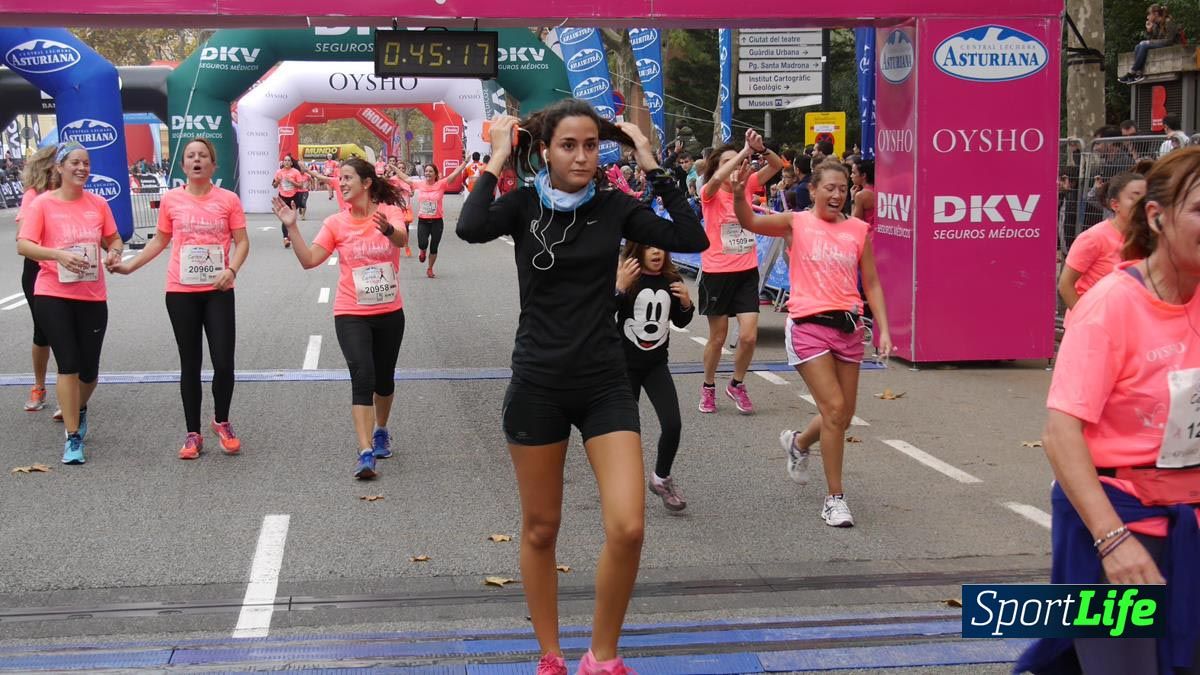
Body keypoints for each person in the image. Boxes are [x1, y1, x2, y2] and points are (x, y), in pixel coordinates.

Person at [457, 102, 708, 675]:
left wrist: (648, 158)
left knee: (629, 524)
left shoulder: (616, 206)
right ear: (545, 149)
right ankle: (550, 653)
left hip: (604, 382)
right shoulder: (523, 205)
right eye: (569, 145)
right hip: (538, 383)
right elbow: (470, 226)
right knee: (542, 527)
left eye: (592, 145)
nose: (582, 156)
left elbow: (690, 237)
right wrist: (498, 156)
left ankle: (603, 654)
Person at [1017, 147, 1200, 675]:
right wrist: (1112, 539)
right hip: (1121, 521)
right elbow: (1060, 433)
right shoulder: (1112, 305)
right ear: (1157, 217)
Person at [732, 158, 893, 527]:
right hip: (807, 326)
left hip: (849, 328)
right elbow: (750, 221)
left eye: (843, 188)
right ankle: (834, 499)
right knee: (835, 408)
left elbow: (871, 283)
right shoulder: (797, 222)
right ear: (814, 190)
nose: (837, 194)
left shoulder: (858, 230)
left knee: (843, 416)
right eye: (830, 188)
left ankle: (799, 443)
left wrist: (882, 327)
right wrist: (741, 194)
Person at [109, 139, 250, 459]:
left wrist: (232, 269)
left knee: (224, 362)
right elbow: (160, 240)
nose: (197, 160)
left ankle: (222, 422)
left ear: (213, 166)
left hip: (218, 290)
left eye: (203, 156)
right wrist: (130, 267)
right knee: (191, 363)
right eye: (190, 156)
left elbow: (242, 242)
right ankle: (193, 434)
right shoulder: (172, 199)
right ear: (183, 166)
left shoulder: (228, 199)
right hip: (181, 291)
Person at [275, 158, 409, 480]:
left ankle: (381, 429)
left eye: (348, 177)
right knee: (362, 375)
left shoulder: (388, 211)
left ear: (366, 183)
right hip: (351, 311)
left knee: (384, 380)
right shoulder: (336, 223)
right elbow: (309, 261)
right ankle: (365, 452)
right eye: (340, 178)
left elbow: (402, 240)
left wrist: (388, 229)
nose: (342, 183)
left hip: (389, 309)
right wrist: (292, 227)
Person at [16, 143, 123, 465]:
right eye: (75, 162)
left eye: (86, 163)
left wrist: (114, 252)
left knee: (89, 372)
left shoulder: (98, 204)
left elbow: (113, 238)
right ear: (59, 168)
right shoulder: (43, 204)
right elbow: (24, 245)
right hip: (52, 292)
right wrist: (58, 254)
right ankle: (73, 438)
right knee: (68, 363)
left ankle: (79, 407)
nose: (82, 168)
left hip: (91, 294)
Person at [696, 129, 783, 415]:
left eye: (739, 160)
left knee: (748, 336)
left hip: (746, 270)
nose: (737, 165)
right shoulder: (708, 191)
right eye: (728, 161)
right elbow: (716, 181)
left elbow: (777, 166)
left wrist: (760, 149)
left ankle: (736, 383)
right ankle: (708, 386)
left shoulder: (747, 186)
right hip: (716, 272)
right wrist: (743, 153)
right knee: (718, 338)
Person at [615, 241, 694, 512]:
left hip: (656, 366)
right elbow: (602, 312)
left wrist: (686, 302)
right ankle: (622, 488)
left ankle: (661, 478)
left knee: (673, 424)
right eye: (649, 247)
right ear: (637, 250)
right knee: (626, 432)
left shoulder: (671, 279)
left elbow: (681, 321)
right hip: (624, 367)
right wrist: (619, 288)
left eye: (660, 247)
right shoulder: (627, 277)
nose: (656, 252)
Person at [1058, 172, 1146, 312]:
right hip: (1092, 326)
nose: (1143, 203)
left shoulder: (1149, 239)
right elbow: (1065, 285)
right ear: (1115, 204)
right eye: (1135, 197)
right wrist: (1086, 318)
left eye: (1147, 198)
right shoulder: (1093, 238)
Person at [15, 146, 58, 415]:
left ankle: (71, 391)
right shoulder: (33, 196)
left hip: (71, 268)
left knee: (72, 331)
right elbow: (22, 237)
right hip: (38, 268)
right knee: (43, 332)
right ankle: (39, 386)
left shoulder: (74, 194)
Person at [411, 160, 468, 278]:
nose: (428, 173)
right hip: (423, 220)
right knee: (422, 243)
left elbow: (455, 173)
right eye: (426, 171)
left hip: (437, 221)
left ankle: (430, 268)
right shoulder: (420, 184)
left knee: (434, 246)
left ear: (435, 174)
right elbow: (405, 179)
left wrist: (465, 162)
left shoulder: (441, 184)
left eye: (430, 171)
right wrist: (394, 169)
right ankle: (422, 251)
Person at [1119, 3, 1182, 84]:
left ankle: (1132, 72)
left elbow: (1169, 40)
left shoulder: (1168, 22)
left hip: (1172, 45)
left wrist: (1149, 42)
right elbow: (1154, 40)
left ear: (1155, 14)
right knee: (1138, 46)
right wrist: (1149, 31)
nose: (1147, 17)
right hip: (1163, 45)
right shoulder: (1156, 25)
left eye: (1149, 14)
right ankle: (1138, 74)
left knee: (1144, 44)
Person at [273, 155, 304, 248]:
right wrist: (277, 182)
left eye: (288, 160)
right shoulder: (279, 172)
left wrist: (292, 181)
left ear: (291, 162)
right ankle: (285, 238)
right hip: (283, 197)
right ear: (283, 162)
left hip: (294, 197)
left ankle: (290, 234)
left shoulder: (296, 172)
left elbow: (301, 186)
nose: (286, 162)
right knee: (285, 218)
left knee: (292, 219)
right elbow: (274, 185)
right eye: (285, 160)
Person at [850, 159, 876, 227]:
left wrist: (852, 198)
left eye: (853, 173)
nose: (851, 176)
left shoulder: (861, 195)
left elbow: (854, 222)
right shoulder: (880, 189)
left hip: (868, 235)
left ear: (863, 175)